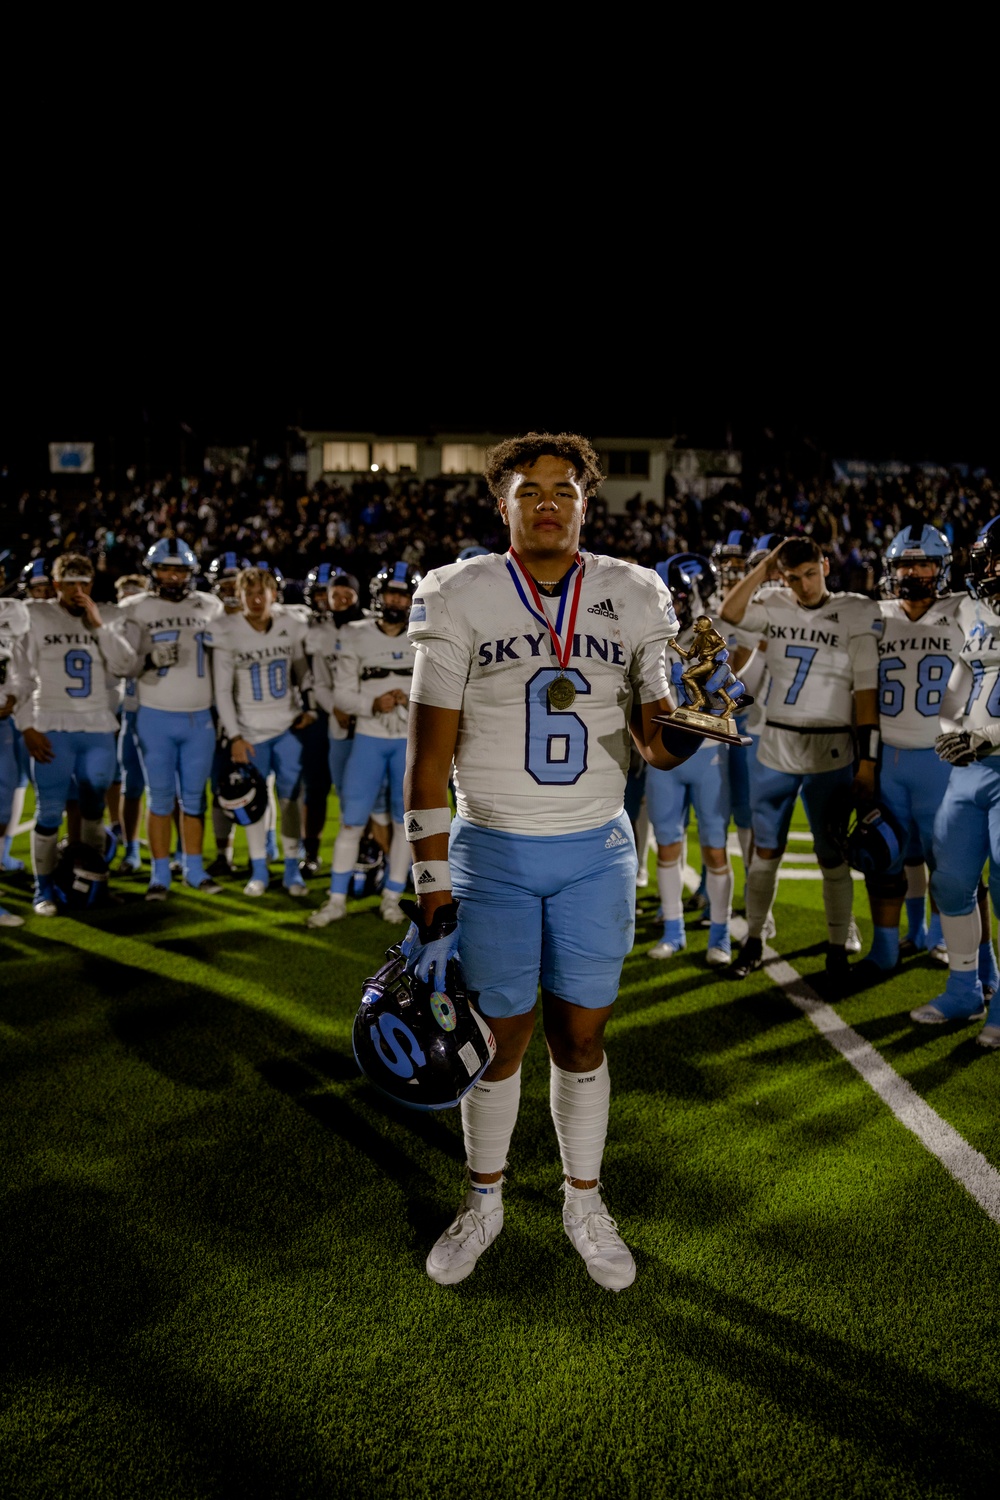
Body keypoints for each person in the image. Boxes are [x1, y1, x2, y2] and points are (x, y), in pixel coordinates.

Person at [402, 431, 729, 1291]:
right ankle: (485, 1198)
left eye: (563, 489)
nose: (547, 502)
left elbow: (658, 753)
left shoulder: (633, 590)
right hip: (493, 849)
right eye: (528, 490)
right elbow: (427, 760)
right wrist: (431, 888)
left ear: (588, 501)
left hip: (594, 850)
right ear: (500, 504)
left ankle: (584, 1199)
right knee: (498, 1041)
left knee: (581, 1038)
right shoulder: (458, 591)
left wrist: (696, 718)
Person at [720, 536, 881, 982]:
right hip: (776, 744)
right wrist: (766, 566)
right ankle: (753, 939)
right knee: (765, 852)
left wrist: (868, 761)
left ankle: (836, 947)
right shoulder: (773, 600)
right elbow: (730, 613)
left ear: (825, 565)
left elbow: (865, 693)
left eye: (810, 573)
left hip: (831, 747)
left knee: (833, 854)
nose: (804, 585)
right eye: (793, 577)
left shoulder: (855, 609)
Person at [855, 526, 966, 981]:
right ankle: (886, 948)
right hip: (892, 760)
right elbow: (863, 692)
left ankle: (941, 936)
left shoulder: (964, 609)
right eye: (904, 564)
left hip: (945, 759)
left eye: (923, 564)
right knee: (884, 858)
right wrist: (866, 758)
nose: (913, 572)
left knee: (948, 862)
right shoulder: (873, 614)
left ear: (942, 569)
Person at [911, 516, 1000, 1047]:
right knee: (949, 881)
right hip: (969, 768)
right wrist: (950, 732)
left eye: (995, 558)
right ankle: (966, 986)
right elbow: (956, 685)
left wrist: (986, 735)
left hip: (992, 759)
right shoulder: (981, 617)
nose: (986, 569)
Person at [13, 553, 134, 916]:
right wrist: (27, 725)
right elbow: (20, 675)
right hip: (51, 723)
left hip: (96, 724)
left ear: (92, 585)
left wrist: (99, 626)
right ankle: (43, 889)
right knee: (49, 811)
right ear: (55, 585)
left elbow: (126, 665)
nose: (77, 591)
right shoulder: (35, 615)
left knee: (95, 809)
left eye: (84, 584)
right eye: (69, 584)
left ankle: (96, 881)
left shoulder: (108, 615)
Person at [307, 562, 420, 928]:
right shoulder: (355, 633)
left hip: (407, 741)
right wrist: (373, 704)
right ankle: (336, 899)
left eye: (403, 594)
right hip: (368, 738)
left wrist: (411, 699)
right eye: (392, 593)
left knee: (405, 824)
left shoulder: (423, 633)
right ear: (378, 595)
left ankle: (392, 897)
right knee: (352, 822)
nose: (396, 600)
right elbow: (341, 694)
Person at [118, 539, 224, 900]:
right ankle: (159, 873)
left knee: (195, 799)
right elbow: (123, 664)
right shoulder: (133, 607)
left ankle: (193, 868)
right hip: (154, 714)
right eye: (166, 569)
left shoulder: (210, 605)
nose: (173, 576)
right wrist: (148, 660)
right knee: (160, 799)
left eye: (179, 570)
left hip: (199, 716)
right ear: (152, 571)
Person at [645, 554, 735, 966]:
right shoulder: (650, 634)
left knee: (715, 850)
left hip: (708, 752)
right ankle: (674, 931)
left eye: (678, 595)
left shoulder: (715, 634)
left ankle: (721, 936)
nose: (671, 603)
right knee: (667, 846)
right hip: (664, 754)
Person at [212, 566, 315, 897]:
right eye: (249, 594)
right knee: (253, 803)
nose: (256, 600)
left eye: (262, 593)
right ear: (239, 597)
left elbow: (302, 671)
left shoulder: (291, 624)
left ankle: (290, 870)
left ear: (274, 594)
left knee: (289, 802)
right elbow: (222, 691)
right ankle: (258, 869)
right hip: (250, 732)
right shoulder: (226, 630)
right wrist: (234, 736)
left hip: (287, 727)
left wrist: (310, 708)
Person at [0, 556, 30, 925]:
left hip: (4, 723)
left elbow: (25, 667)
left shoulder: (14, 613)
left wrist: (14, 697)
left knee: (2, 809)